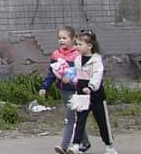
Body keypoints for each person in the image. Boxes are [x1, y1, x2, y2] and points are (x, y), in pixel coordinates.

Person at [39, 25, 90, 154]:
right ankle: (85, 143)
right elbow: (51, 73)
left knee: (70, 118)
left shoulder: (78, 54)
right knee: (75, 117)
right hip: (64, 91)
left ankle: (65, 146)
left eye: (64, 38)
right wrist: (44, 87)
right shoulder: (56, 54)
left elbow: (83, 72)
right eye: (59, 38)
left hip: (76, 91)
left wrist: (72, 77)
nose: (61, 40)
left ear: (73, 39)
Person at [70, 31, 117, 154]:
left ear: (89, 46)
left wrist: (90, 87)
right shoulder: (77, 59)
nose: (77, 47)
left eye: (80, 44)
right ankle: (75, 145)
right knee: (80, 119)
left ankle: (109, 146)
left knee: (102, 120)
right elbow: (76, 75)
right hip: (81, 93)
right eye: (76, 44)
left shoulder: (96, 60)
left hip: (95, 94)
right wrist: (70, 78)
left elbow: (97, 75)